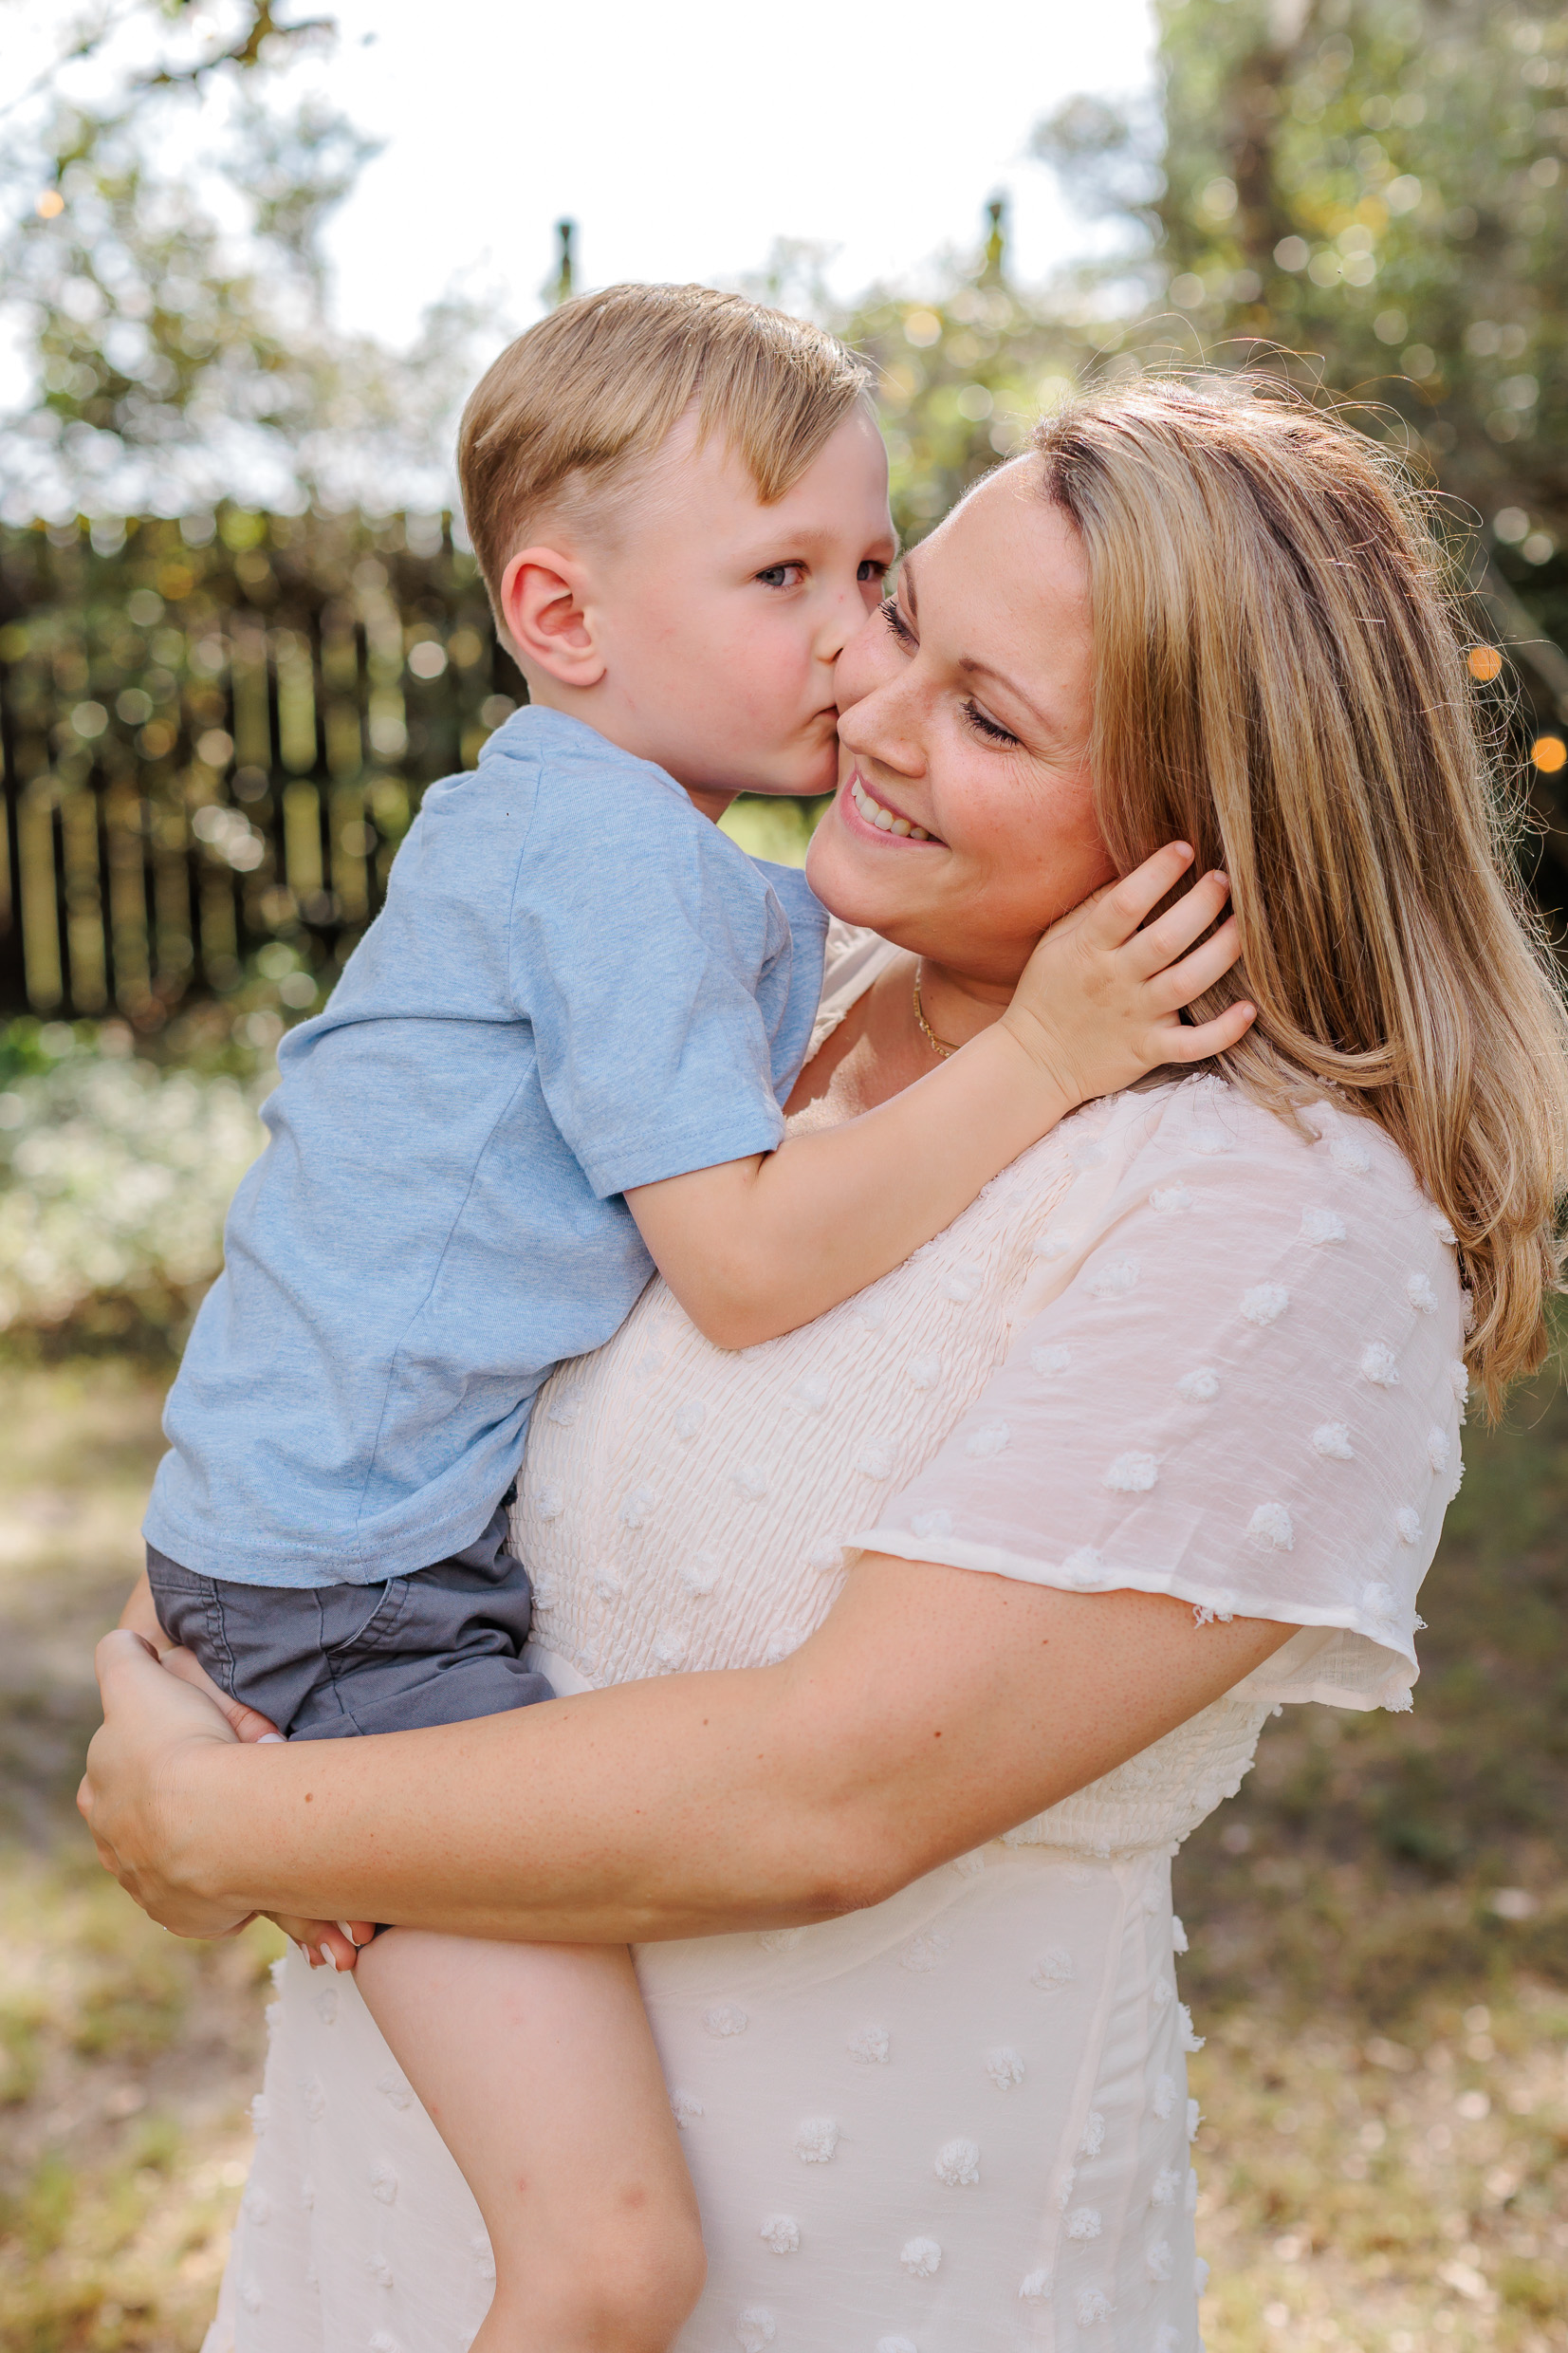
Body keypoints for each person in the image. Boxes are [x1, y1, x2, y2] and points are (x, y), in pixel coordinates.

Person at [83, 375, 1568, 2353]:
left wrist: (216, 1828)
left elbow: (827, 1793)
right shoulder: (757, 979)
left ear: (1206, 833)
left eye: (985, 710)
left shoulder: (1274, 1222)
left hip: (863, 2256)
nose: (861, 701)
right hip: (411, 2171)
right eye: (895, 618)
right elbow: (382, 1317)